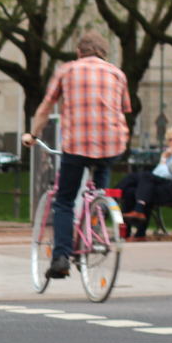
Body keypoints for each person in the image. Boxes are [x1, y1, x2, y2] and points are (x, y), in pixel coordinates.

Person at [22, 30, 131, 278]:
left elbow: (46, 108)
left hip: (77, 145)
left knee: (64, 201)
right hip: (112, 145)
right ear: (104, 53)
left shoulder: (67, 70)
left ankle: (61, 257)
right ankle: (98, 222)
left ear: (79, 52)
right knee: (99, 189)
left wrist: (33, 135)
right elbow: (125, 109)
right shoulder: (117, 73)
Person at [115, 125, 172, 239]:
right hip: (164, 184)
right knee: (131, 191)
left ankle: (112, 200)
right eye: (170, 139)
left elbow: (164, 174)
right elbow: (157, 175)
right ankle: (128, 233)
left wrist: (163, 158)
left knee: (144, 178)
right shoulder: (170, 155)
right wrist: (165, 158)